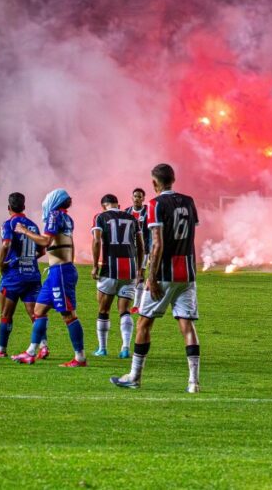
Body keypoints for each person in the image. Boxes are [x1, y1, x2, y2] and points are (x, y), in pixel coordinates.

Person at [112, 163, 200, 392]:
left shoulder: (154, 204)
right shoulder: (189, 202)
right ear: (174, 179)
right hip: (187, 274)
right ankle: (193, 382)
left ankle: (134, 376)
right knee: (187, 325)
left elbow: (158, 243)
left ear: (154, 183)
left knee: (144, 322)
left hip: (164, 274)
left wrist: (151, 276)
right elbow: (191, 236)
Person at [11, 189, 87, 367]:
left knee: (68, 314)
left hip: (60, 271)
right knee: (38, 311)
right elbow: (70, 244)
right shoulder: (66, 217)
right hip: (58, 270)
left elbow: (46, 241)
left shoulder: (54, 215)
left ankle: (80, 357)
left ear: (54, 201)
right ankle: (30, 352)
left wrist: (24, 231)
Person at [0, 193, 47, 359]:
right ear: (24, 207)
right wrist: (29, 259)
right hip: (32, 275)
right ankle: (43, 347)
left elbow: (6, 244)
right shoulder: (33, 226)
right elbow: (42, 250)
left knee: (6, 314)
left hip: (13, 276)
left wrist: (1, 264)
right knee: (35, 314)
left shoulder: (9, 223)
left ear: (8, 208)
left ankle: (1, 350)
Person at [90, 193, 143, 359]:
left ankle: (103, 348)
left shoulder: (100, 217)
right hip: (129, 269)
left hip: (109, 268)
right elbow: (141, 245)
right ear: (118, 205)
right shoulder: (132, 218)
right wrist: (140, 268)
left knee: (103, 310)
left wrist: (94, 265)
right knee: (125, 311)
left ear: (103, 205)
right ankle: (126, 347)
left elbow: (97, 241)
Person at [124, 187, 152, 257]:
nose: (136, 198)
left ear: (143, 199)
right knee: (132, 267)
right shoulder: (126, 212)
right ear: (132, 197)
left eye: (139, 197)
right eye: (135, 196)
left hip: (145, 248)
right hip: (130, 247)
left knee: (141, 268)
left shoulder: (148, 211)